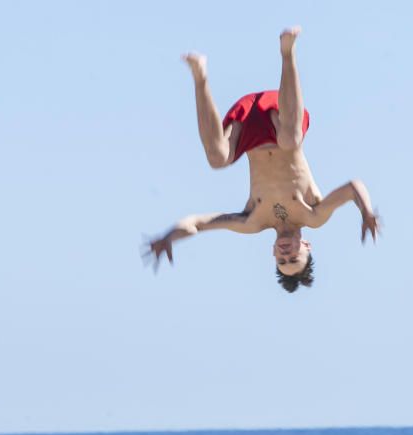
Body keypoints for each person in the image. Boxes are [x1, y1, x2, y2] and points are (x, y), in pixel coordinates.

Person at [145, 27, 380, 293]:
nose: (286, 254)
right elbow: (352, 187)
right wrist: (367, 212)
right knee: (290, 141)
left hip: (249, 128)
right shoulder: (313, 214)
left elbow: (198, 223)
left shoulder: (253, 221)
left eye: (282, 260)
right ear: (306, 246)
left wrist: (168, 238)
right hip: (281, 116)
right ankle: (288, 52)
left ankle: (200, 76)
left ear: (272, 253)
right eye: (294, 258)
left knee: (218, 159)